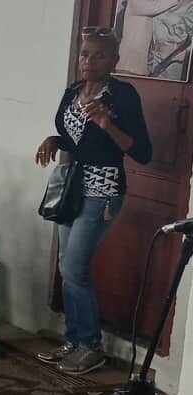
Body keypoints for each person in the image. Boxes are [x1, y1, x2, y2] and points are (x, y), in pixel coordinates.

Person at [34, 27, 152, 375]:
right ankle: (73, 341)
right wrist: (55, 140)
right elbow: (77, 141)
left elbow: (142, 152)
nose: (89, 61)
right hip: (73, 186)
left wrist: (107, 122)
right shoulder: (73, 91)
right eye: (85, 53)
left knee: (74, 267)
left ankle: (91, 346)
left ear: (114, 60)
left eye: (99, 55)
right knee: (66, 266)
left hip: (104, 189)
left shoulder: (123, 95)